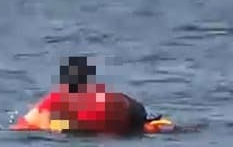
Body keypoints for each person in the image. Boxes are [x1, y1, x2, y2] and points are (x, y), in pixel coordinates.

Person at [12, 55, 161, 135]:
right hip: (124, 119)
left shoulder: (54, 100)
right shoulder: (104, 95)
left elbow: (28, 122)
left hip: (90, 126)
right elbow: (131, 106)